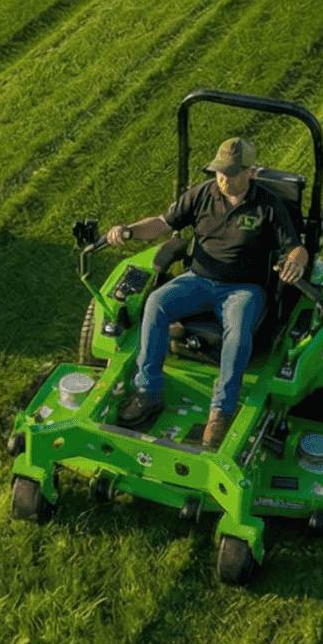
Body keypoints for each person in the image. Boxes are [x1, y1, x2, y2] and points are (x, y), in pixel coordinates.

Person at [103, 135, 308, 450]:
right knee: (156, 302)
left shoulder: (268, 205)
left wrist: (295, 263)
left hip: (244, 289)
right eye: (219, 171)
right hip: (198, 279)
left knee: (237, 332)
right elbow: (162, 222)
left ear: (251, 172)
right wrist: (129, 230)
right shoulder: (201, 195)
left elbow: (296, 248)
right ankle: (147, 392)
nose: (224, 178)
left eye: (232, 173)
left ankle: (220, 412)